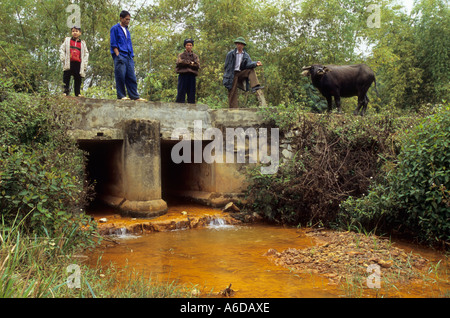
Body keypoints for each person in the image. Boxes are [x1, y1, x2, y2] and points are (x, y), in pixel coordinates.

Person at [110, 10, 146, 101]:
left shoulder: (127, 30)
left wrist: (132, 56)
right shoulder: (115, 28)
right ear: (121, 18)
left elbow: (129, 43)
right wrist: (118, 55)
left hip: (129, 56)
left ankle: (134, 96)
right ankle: (121, 95)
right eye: (126, 19)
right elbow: (113, 43)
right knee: (120, 76)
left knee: (131, 76)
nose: (128, 21)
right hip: (120, 55)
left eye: (129, 19)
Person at [223, 37, 264, 108]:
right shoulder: (230, 54)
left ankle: (255, 86)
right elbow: (226, 66)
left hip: (240, 73)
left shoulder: (246, 55)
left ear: (243, 45)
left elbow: (248, 64)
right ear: (236, 44)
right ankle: (233, 109)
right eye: (238, 44)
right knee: (232, 93)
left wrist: (256, 63)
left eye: (241, 44)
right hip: (232, 74)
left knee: (251, 70)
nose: (240, 45)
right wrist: (227, 77)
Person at [60, 26, 89, 97]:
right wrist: (63, 58)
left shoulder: (82, 43)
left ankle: (77, 93)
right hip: (69, 62)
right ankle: (65, 92)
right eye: (73, 31)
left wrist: (85, 63)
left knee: (78, 78)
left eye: (76, 31)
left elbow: (86, 53)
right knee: (66, 77)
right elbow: (62, 49)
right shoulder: (67, 40)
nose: (74, 33)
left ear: (80, 33)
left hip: (78, 63)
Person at [175, 38, 200, 104]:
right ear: (185, 46)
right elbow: (179, 62)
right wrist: (191, 63)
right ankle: (178, 109)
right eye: (187, 45)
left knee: (191, 94)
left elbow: (197, 65)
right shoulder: (181, 55)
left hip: (192, 76)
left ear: (192, 46)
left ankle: (191, 110)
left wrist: (186, 63)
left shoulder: (195, 56)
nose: (189, 46)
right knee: (181, 93)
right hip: (183, 75)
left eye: (190, 45)